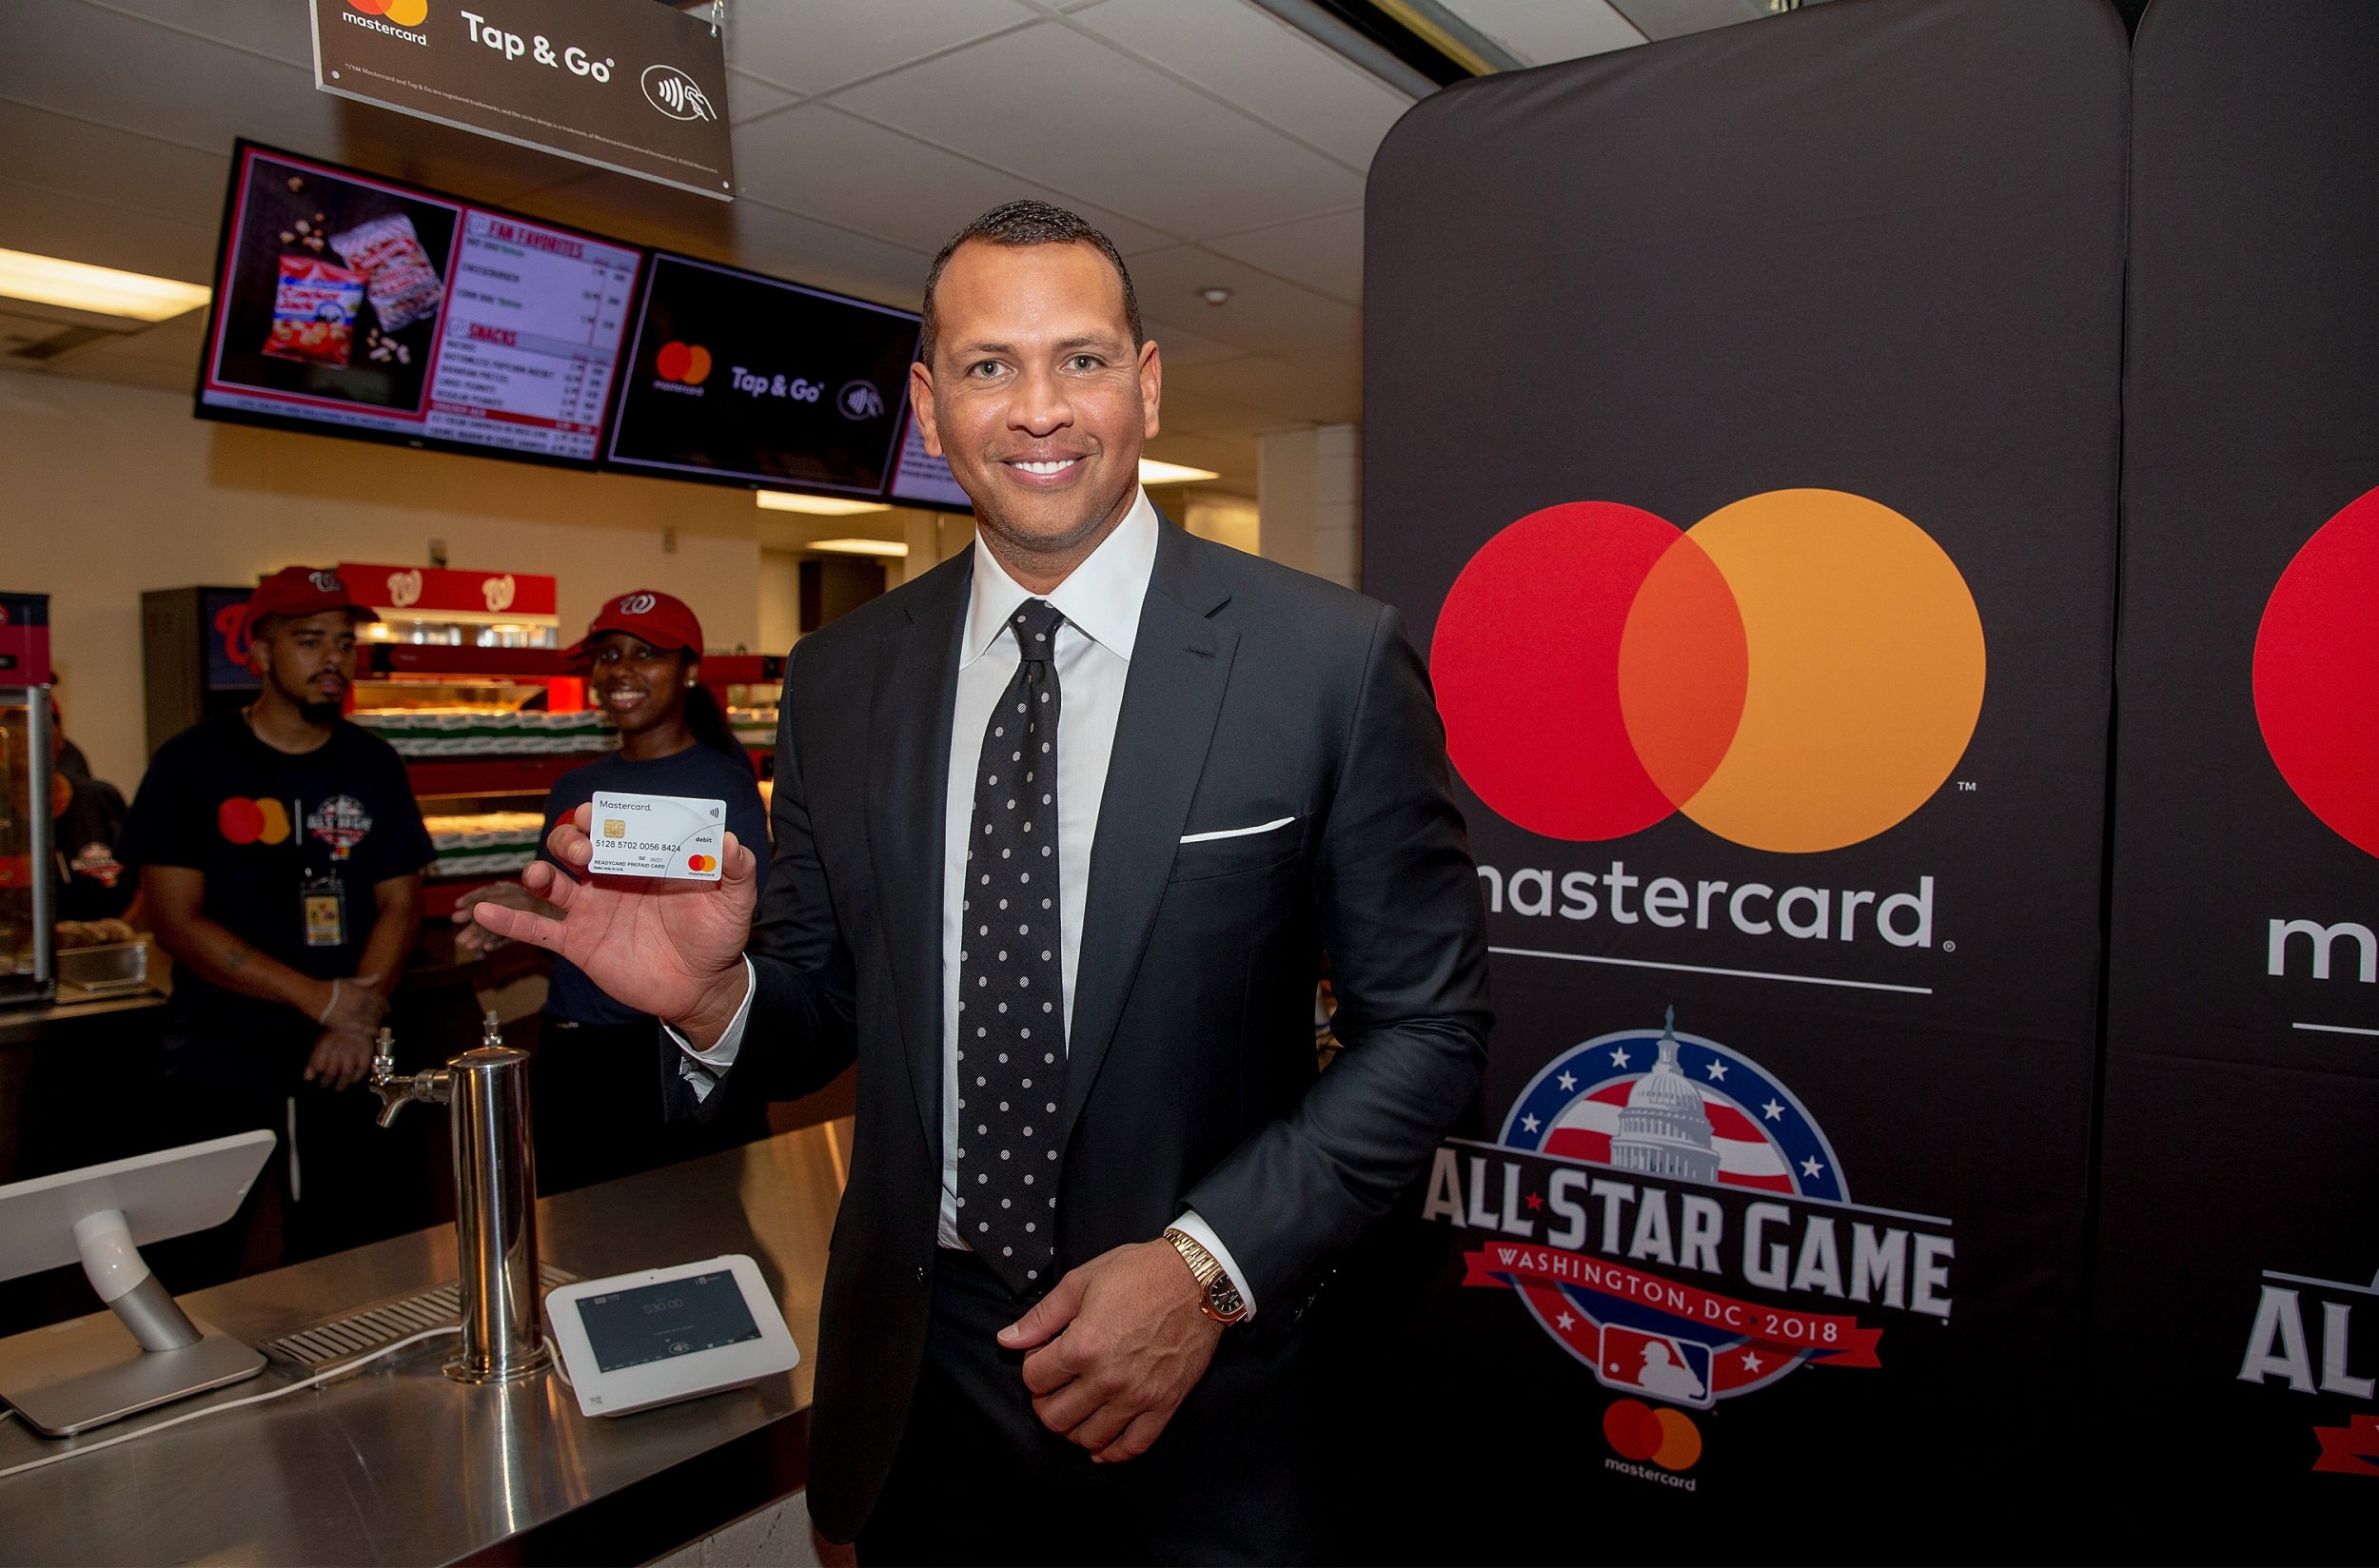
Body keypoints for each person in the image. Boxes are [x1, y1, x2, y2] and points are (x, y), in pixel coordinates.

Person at [475, 201, 1492, 1562]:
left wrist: (1203, 1269)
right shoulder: (845, 680)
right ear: (928, 403)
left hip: (1211, 1379)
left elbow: (1428, 1027)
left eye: (1079, 359)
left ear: (1144, 381)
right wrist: (714, 996)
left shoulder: (1326, 661)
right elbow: (826, 1012)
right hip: (923, 1375)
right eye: (988, 366)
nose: (1038, 411)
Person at [118, 566, 432, 1276]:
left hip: (349, 1066)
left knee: (354, 1261)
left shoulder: (373, 765)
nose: (334, 660)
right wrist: (320, 1001)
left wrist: (353, 1018)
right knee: (196, 1268)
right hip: (220, 1063)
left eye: (345, 644)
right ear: (257, 654)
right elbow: (176, 921)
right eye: (310, 640)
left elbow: (400, 902)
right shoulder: (190, 765)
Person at [453, 590, 772, 1192]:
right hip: (577, 1047)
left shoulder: (722, 784)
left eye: (645, 654)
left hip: (673, 1051)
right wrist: (525, 906)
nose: (620, 670)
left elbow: (752, 923)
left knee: (689, 1230)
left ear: (690, 671)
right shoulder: (576, 785)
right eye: (607, 654)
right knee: (574, 1239)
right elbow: (570, 914)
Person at [49, 689, 138, 928]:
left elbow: (147, 884)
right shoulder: (8, 817)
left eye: (48, 726)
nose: (24, 741)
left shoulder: (102, 799)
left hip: (107, 954)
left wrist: (117, 932)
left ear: (60, 740)